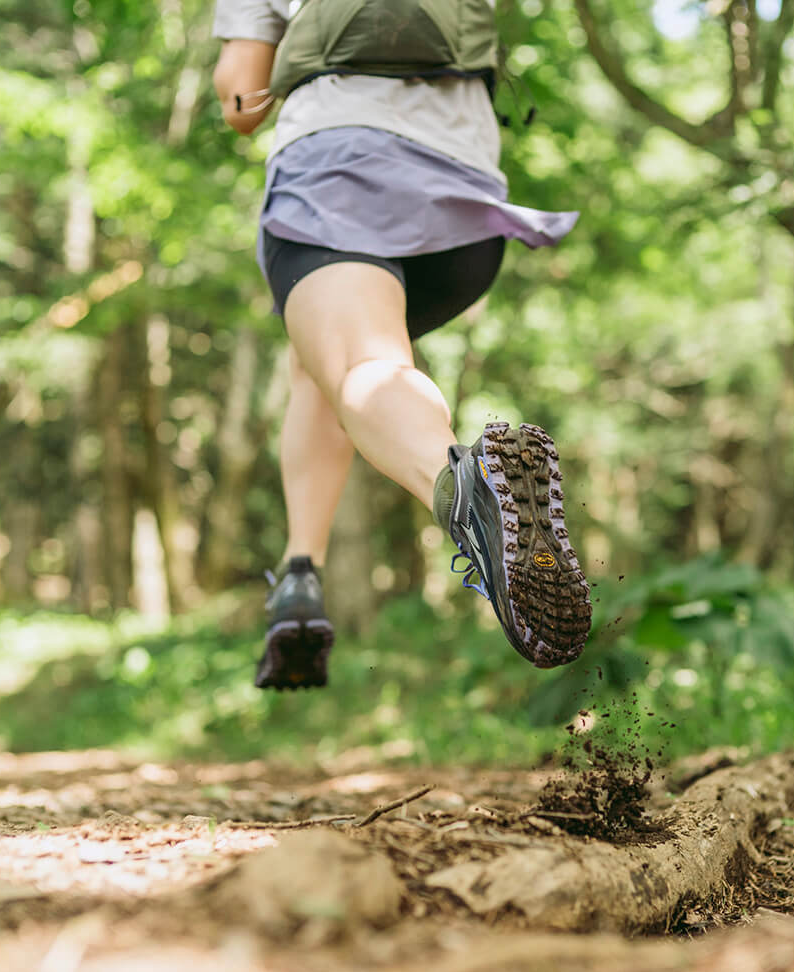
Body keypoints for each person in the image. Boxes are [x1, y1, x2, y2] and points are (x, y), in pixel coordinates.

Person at [212, 0, 592, 690]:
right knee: (321, 363)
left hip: (339, 169)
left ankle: (468, 489)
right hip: (466, 202)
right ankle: (299, 570)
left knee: (366, 364)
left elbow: (241, 97)